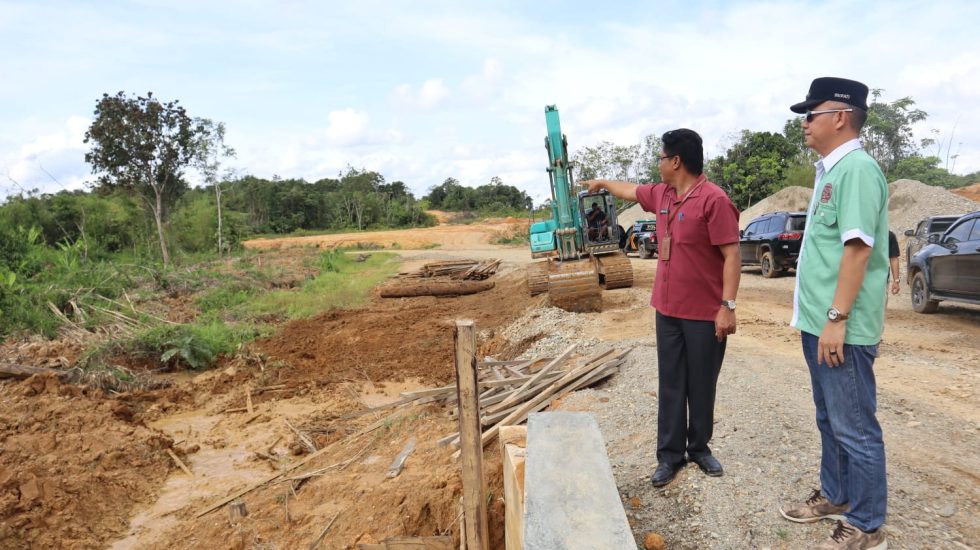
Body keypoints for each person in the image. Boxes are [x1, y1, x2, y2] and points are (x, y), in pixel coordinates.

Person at [582, 129, 740, 488]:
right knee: (671, 384)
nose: (658, 164)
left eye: (661, 157)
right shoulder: (663, 194)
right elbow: (630, 190)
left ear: (676, 161)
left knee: (702, 384)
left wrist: (727, 307)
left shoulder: (714, 200)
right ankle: (669, 456)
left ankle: (699, 448)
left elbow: (732, 256)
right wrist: (602, 183)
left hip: (704, 313)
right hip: (667, 310)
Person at [779, 77, 889, 550]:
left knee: (856, 427)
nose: (804, 123)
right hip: (819, 323)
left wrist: (837, 320)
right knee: (830, 418)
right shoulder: (831, 171)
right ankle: (837, 495)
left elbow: (858, 251)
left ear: (840, 116)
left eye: (811, 114)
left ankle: (866, 524)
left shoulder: (857, 170)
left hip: (841, 327)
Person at [888, 230, 900, 297]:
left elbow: (894, 258)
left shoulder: (889, 235)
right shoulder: (859, 233)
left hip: (880, 280)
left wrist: (896, 281)